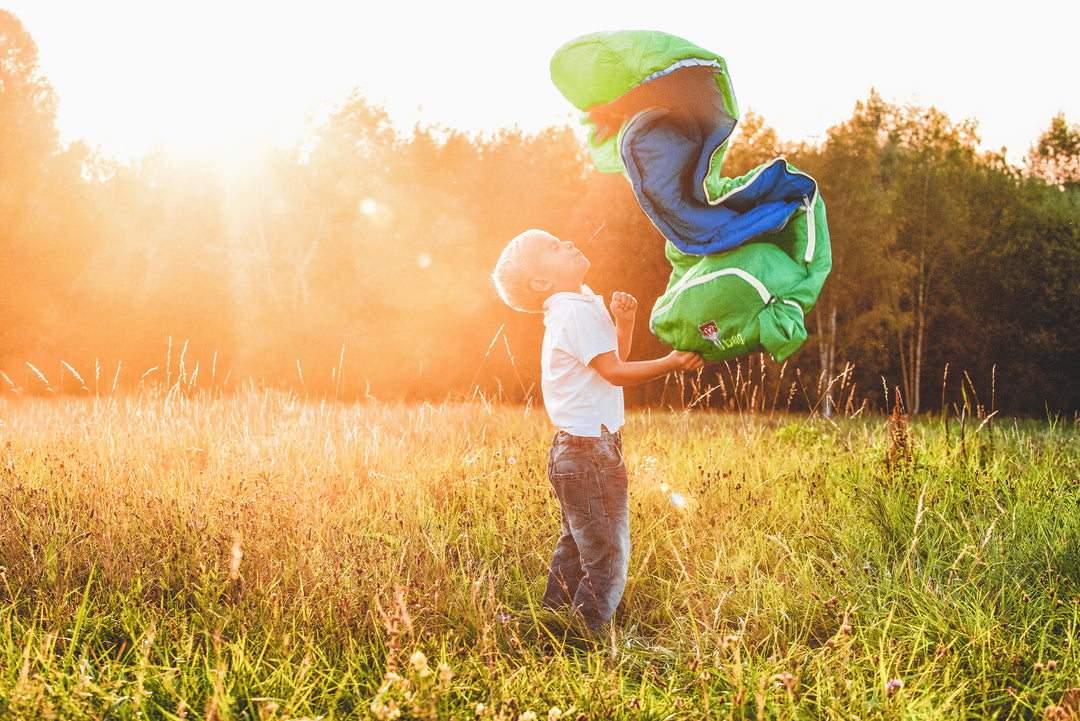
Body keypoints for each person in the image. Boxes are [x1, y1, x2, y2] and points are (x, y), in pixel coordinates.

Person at [491, 228, 703, 634]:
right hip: (590, 452)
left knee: (576, 545)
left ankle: (553, 623)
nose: (568, 242)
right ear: (541, 282)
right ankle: (582, 639)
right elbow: (615, 372)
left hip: (577, 450)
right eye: (554, 247)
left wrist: (625, 322)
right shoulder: (573, 310)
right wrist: (671, 362)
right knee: (608, 555)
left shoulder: (581, 303)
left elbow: (609, 362)